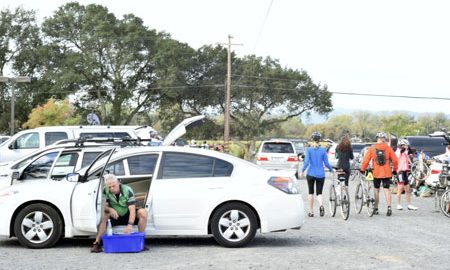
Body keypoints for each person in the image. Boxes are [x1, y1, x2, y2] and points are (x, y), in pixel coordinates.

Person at [91, 174, 148, 253]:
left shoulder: (127, 190)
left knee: (143, 212)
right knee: (105, 213)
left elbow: (132, 210)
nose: (111, 188)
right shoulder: (105, 190)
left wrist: (130, 225)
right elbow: (104, 206)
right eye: (109, 187)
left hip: (127, 214)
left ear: (118, 183)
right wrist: (110, 209)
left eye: (113, 186)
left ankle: (141, 241)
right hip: (115, 216)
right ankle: (97, 243)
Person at [360, 132, 398, 216]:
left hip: (376, 172)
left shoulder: (372, 148)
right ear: (384, 139)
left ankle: (376, 208)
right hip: (386, 172)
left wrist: (362, 169)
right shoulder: (388, 148)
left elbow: (366, 160)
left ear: (377, 139)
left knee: (376, 190)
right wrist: (395, 170)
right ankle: (389, 207)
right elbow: (395, 160)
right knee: (386, 189)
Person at [300, 131, 334, 217]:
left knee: (310, 193)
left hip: (311, 174)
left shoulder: (309, 150)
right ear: (319, 140)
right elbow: (326, 163)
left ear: (312, 139)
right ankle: (321, 205)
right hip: (321, 175)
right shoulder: (323, 150)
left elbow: (306, 162)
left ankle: (311, 212)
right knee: (319, 193)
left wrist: (302, 171)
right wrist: (331, 170)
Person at [394, 139, 418, 210]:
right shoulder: (398, 152)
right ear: (401, 145)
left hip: (405, 171)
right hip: (400, 172)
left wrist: (411, 163)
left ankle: (409, 205)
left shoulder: (405, 151)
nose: (407, 146)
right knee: (400, 189)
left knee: (407, 189)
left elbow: (407, 156)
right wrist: (402, 151)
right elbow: (396, 158)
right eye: (405, 145)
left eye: (407, 145)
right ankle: (398, 204)